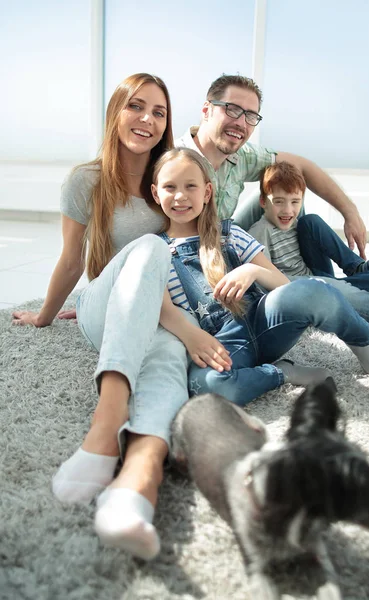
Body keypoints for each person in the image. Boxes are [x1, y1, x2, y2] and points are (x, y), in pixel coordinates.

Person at [12, 73, 232, 561]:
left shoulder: (171, 178)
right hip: (102, 307)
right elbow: (72, 261)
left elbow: (203, 237)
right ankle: (105, 425)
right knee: (151, 247)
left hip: (163, 312)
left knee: (167, 360)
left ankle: (140, 483)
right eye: (137, 107)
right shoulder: (86, 181)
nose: (148, 120)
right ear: (116, 113)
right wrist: (46, 316)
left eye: (159, 112)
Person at [151, 147, 369, 407]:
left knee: (315, 289)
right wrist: (192, 337)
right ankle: (283, 372)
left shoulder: (230, 234)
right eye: (169, 187)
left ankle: (363, 345)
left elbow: (283, 285)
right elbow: (164, 310)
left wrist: (252, 270)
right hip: (221, 343)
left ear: (207, 192)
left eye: (190, 186)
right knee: (207, 387)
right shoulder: (155, 250)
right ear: (156, 193)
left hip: (265, 321)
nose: (180, 196)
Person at [175, 74, 367, 257]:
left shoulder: (242, 156)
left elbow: (303, 166)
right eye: (232, 109)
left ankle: (303, 267)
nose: (241, 123)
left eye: (250, 116)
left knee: (289, 189)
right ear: (206, 111)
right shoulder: (172, 161)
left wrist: (350, 213)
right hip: (196, 255)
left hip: (224, 235)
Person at [248, 162, 369, 327]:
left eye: (295, 202)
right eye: (279, 202)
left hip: (319, 277)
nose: (288, 210)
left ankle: (357, 268)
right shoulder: (260, 232)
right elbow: (266, 284)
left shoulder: (296, 222)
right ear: (264, 202)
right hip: (305, 292)